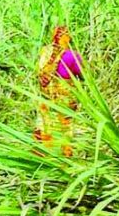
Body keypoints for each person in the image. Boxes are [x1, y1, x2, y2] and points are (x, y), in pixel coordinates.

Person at [34, 26, 83, 157]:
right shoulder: (72, 55)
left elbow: (38, 72)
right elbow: (83, 75)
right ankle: (65, 155)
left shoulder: (44, 52)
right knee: (66, 125)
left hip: (45, 95)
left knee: (45, 122)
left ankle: (44, 153)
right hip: (64, 97)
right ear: (65, 37)